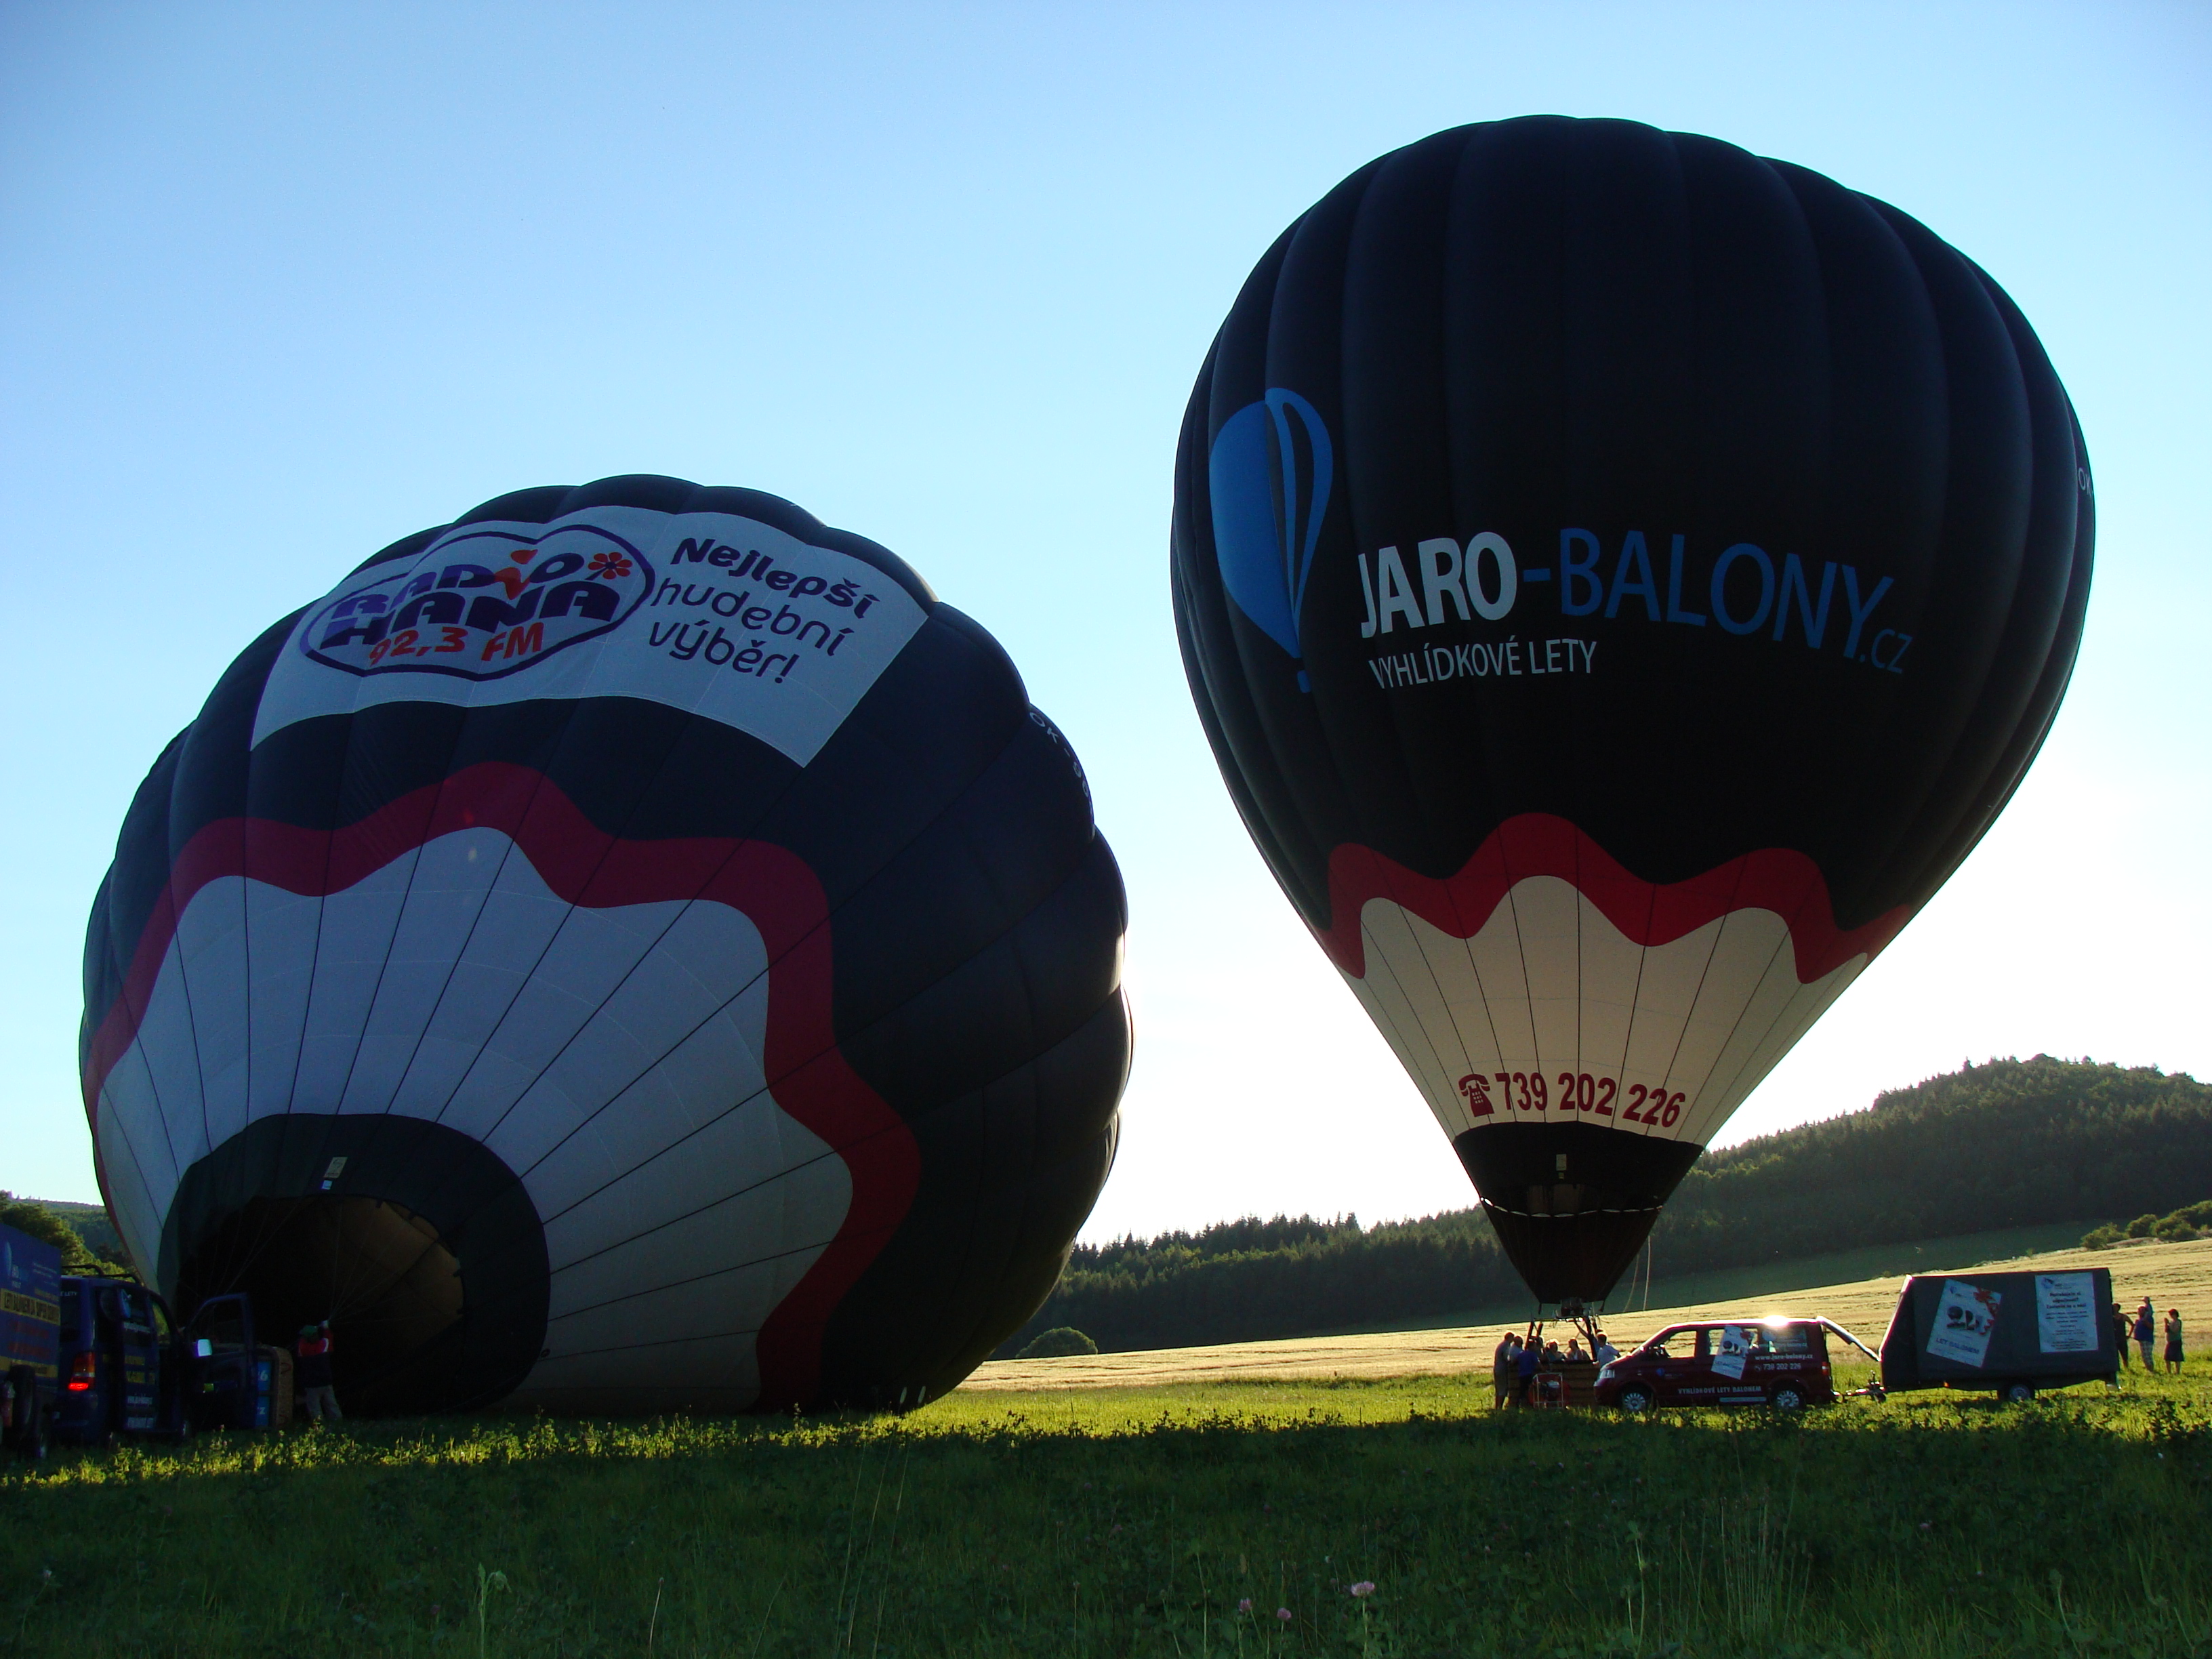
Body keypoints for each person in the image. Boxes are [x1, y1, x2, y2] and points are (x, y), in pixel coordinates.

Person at [297, 1320, 341, 1423]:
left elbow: (301, 1341)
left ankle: (319, 1425)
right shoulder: (323, 1345)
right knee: (332, 1405)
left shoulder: (303, 1348)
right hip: (326, 1382)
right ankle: (337, 1423)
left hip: (311, 1384)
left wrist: (313, 1330)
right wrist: (325, 1328)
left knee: (314, 1407)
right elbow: (328, 1338)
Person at [1492, 1332, 1521, 1409]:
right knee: (1503, 1389)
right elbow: (1506, 1358)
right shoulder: (1505, 1346)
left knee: (1499, 1389)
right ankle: (1499, 1407)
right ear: (1509, 1338)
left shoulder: (1502, 1345)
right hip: (1502, 1370)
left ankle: (1497, 1407)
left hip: (1497, 1368)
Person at [1515, 1334, 1540, 1406]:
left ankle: (1519, 1403)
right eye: (1535, 1346)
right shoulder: (1533, 1354)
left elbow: (1515, 1361)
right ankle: (1530, 1403)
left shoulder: (1521, 1354)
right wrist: (1543, 1369)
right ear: (1531, 1347)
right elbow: (1537, 1364)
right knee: (1531, 1389)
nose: (1536, 1347)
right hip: (1529, 1374)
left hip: (1521, 1374)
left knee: (1522, 1390)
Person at [2134, 1299, 2158, 1374]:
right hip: (2142, 1340)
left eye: (2142, 1310)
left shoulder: (2148, 1318)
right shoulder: (2140, 1320)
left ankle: (2151, 1370)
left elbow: (2151, 1327)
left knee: (2148, 1356)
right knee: (2144, 1356)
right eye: (2139, 1310)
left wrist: (2146, 1323)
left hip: (2147, 1339)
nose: (2140, 1312)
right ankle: (2149, 1369)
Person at [2164, 1308, 2185, 1374]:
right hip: (2170, 1342)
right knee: (2167, 1358)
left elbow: (2175, 1331)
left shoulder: (2178, 1322)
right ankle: (2169, 1372)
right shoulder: (2171, 1322)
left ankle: (2178, 1372)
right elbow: (2166, 1330)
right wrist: (2166, 1324)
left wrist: (2169, 1324)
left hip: (2176, 1341)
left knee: (2177, 1358)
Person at [2112, 1302, 2133, 1368]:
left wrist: (2129, 1335)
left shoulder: (2123, 1317)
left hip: (2122, 1339)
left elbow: (2132, 1325)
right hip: (2114, 1339)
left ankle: (2126, 1368)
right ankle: (2117, 1368)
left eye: (2115, 1308)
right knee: (2114, 1356)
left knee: (2125, 1356)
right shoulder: (2110, 1317)